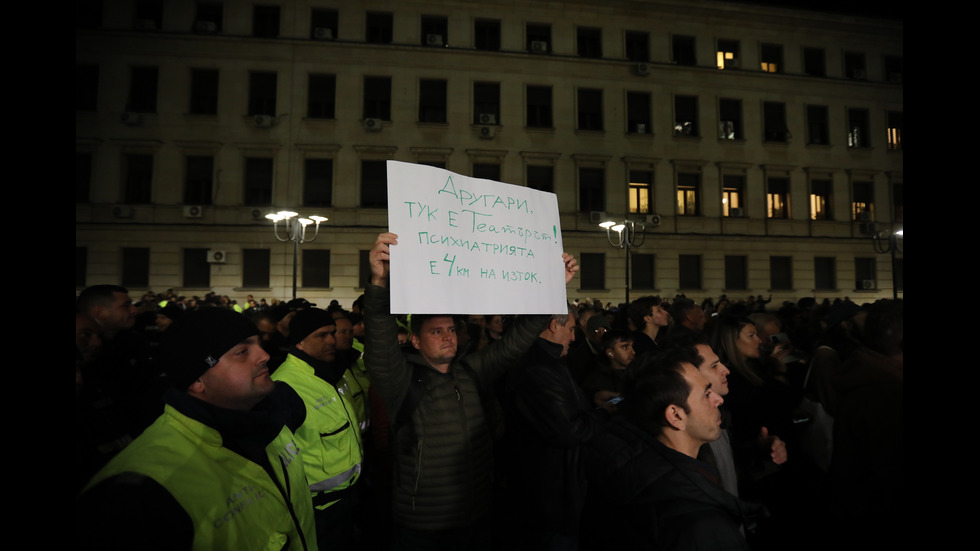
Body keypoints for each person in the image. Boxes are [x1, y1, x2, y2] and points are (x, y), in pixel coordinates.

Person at [363, 232, 578, 550]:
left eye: (451, 329)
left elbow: (515, 343)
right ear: (416, 341)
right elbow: (379, 335)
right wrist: (379, 282)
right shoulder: (400, 381)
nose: (447, 336)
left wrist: (552, 288)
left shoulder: (472, 370)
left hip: (477, 515)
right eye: (436, 331)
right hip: (424, 527)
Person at [76, 308, 317, 551]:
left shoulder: (272, 416)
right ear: (197, 381)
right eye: (242, 352)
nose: (264, 355)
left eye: (258, 344)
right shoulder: (140, 495)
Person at [583, 349, 766, 550]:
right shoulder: (700, 523)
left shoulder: (629, 465)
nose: (718, 400)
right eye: (706, 394)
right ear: (676, 416)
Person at [500, 302, 601, 550]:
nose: (574, 337)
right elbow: (569, 429)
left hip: (551, 489)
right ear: (555, 325)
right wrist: (602, 414)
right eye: (572, 329)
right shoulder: (540, 366)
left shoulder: (546, 361)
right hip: (551, 494)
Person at [271, 309, 363, 551]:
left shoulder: (327, 373)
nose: (332, 340)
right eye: (321, 335)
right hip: (318, 514)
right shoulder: (285, 387)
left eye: (333, 333)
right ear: (300, 341)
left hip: (345, 503)